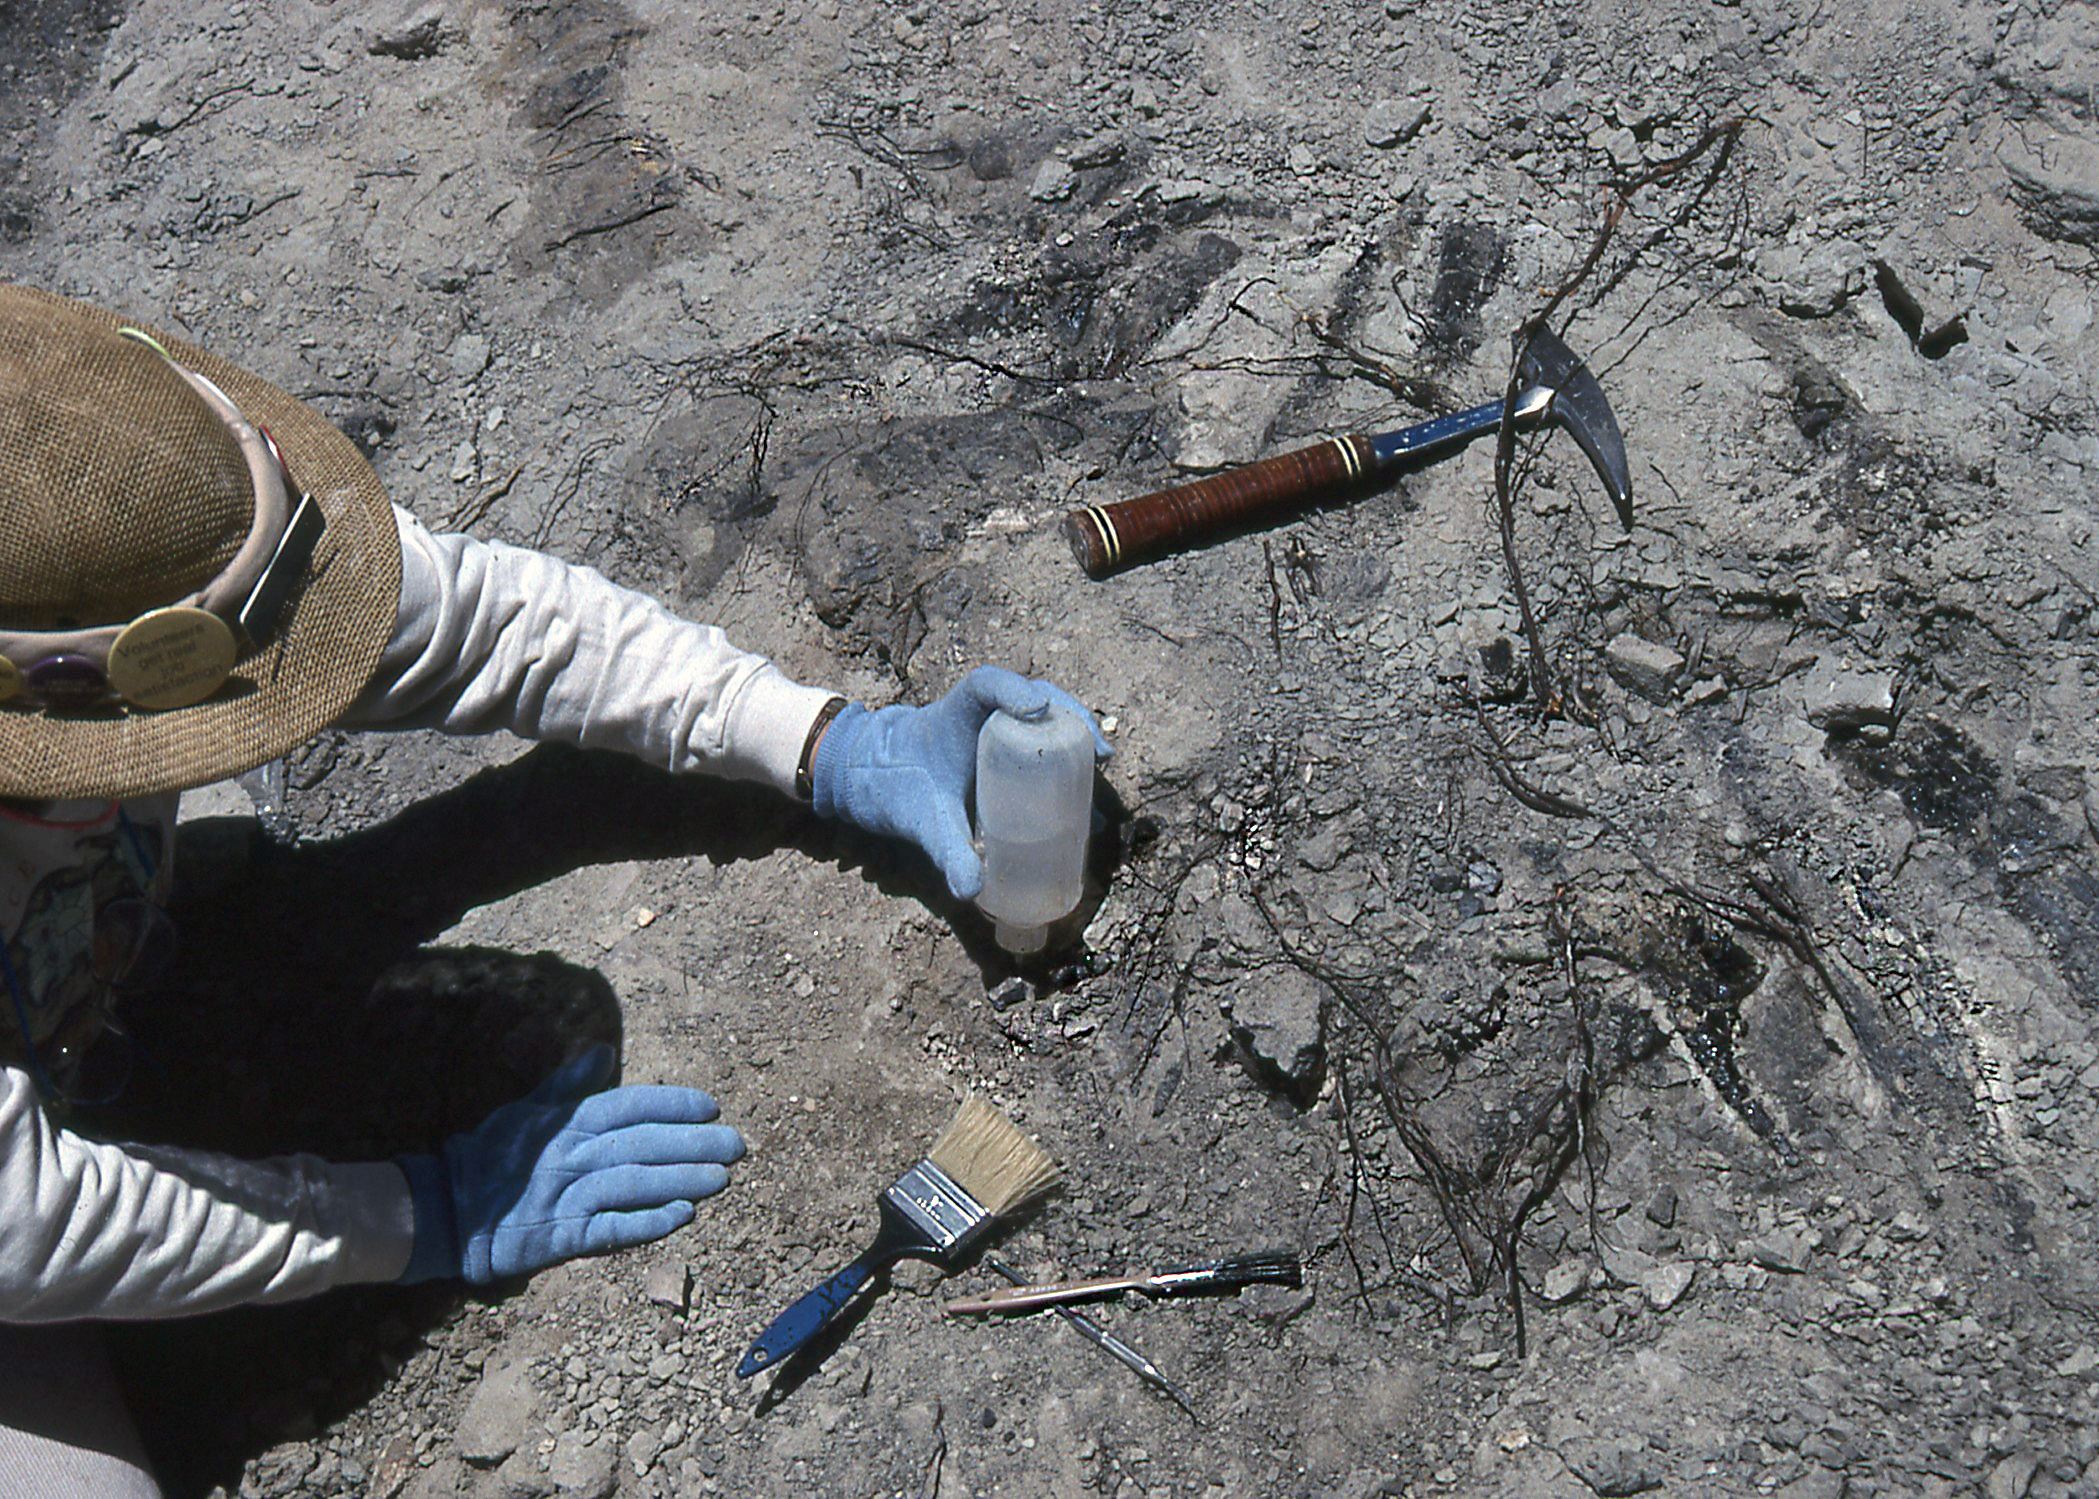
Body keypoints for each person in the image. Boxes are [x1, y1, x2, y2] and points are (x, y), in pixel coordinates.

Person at [0, 283, 1109, 1495]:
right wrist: (413, 1213)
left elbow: (491, 624)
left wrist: (822, 740)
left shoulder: (111, 499)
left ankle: (84, 955)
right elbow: (26, 1223)